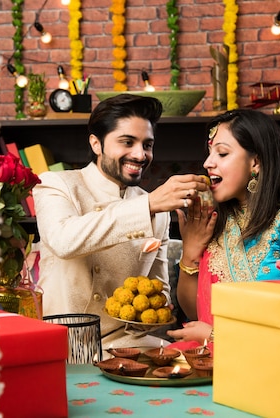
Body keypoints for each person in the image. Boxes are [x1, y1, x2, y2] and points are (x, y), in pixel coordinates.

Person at [33, 94, 210, 348]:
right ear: (96, 144)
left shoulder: (155, 207)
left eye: (147, 145)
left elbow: (157, 286)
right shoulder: (56, 184)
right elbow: (64, 240)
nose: (140, 154)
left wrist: (158, 304)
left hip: (126, 342)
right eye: (127, 142)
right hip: (63, 341)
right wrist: (147, 206)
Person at [167, 109, 280, 344]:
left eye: (222, 153)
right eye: (209, 152)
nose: (207, 163)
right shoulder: (216, 222)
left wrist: (216, 337)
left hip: (270, 365)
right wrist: (190, 255)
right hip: (207, 361)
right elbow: (196, 314)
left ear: (255, 162)